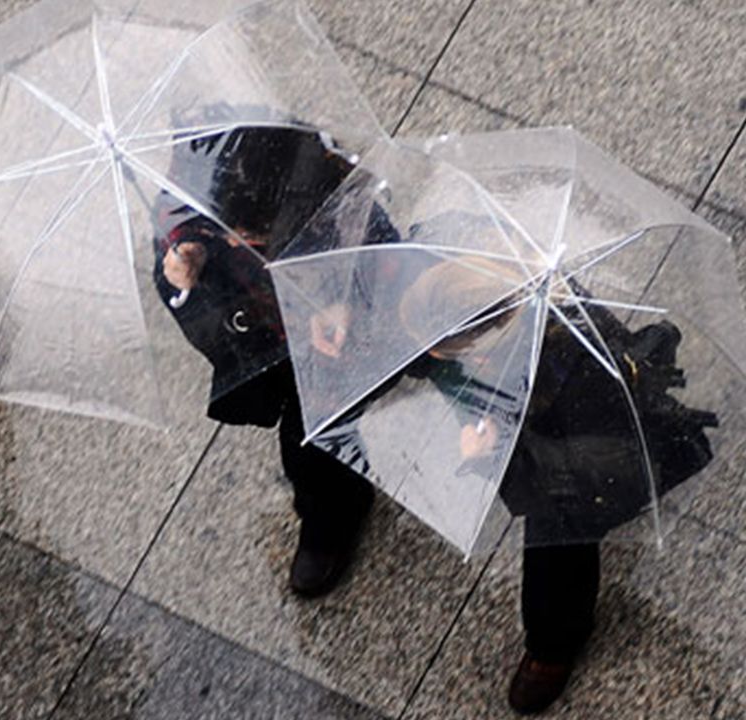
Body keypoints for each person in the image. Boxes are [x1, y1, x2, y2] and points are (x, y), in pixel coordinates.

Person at [394, 256, 717, 714]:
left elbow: (552, 481)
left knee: (558, 542)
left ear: (482, 344)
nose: (434, 360)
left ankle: (552, 647)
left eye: (446, 352)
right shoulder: (500, 301)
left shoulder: (574, 371)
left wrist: (488, 458)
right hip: (540, 417)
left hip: (594, 460)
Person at [153, 120, 396, 596]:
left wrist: (345, 302)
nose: (234, 240)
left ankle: (334, 511)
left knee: (316, 436)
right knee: (303, 442)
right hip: (266, 348)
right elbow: (193, 305)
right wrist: (184, 284)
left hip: (335, 356)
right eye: (229, 231)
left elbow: (394, 276)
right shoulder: (200, 218)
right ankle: (329, 510)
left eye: (248, 235)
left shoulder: (350, 217)